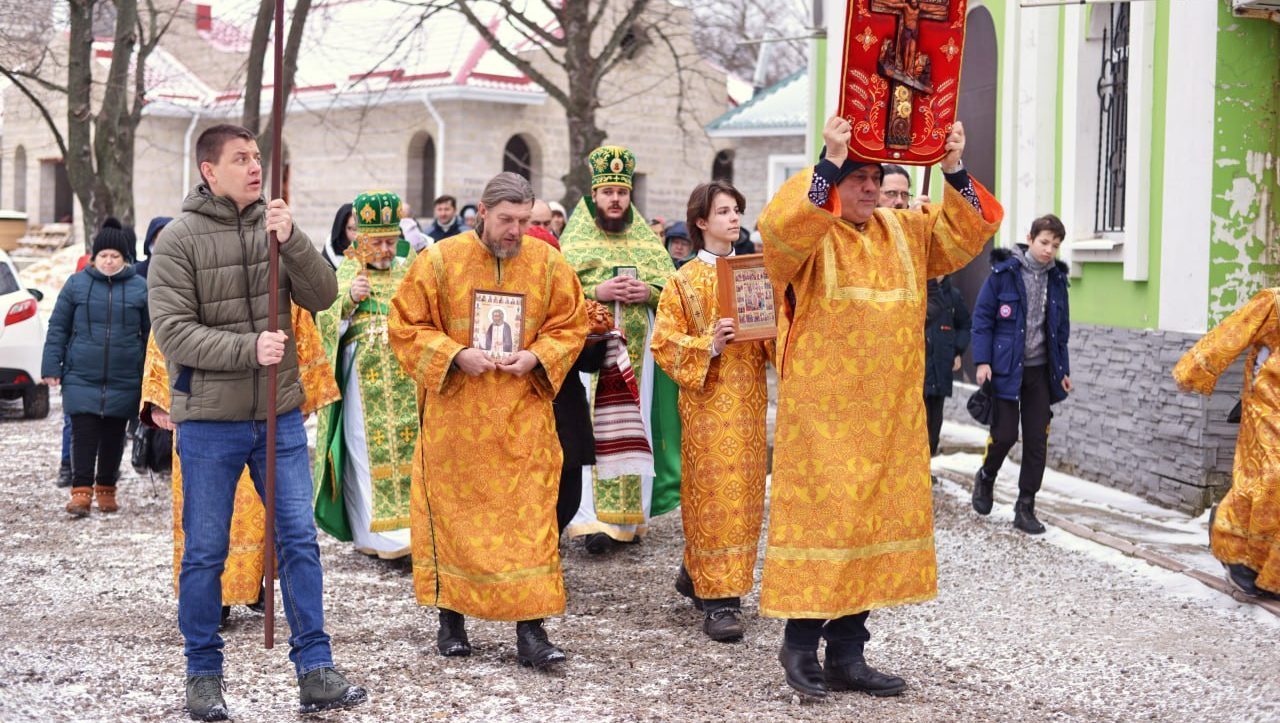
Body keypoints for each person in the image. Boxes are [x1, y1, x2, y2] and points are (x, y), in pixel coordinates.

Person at [758, 116, 1002, 698]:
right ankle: (799, 645)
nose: (868, 188)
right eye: (856, 177)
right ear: (835, 184)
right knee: (827, 527)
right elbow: (777, 231)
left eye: (875, 178)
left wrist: (953, 168)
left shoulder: (907, 233)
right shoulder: (816, 237)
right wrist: (829, 157)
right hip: (823, 418)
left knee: (869, 528)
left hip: (890, 415)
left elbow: (968, 233)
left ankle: (848, 652)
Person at [147, 123, 365, 720]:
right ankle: (203, 674)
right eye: (239, 158)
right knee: (206, 552)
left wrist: (292, 239)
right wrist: (250, 349)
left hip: (279, 416)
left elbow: (323, 296)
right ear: (208, 171)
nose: (254, 167)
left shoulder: (278, 230)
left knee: (298, 543)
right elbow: (174, 334)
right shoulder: (178, 241)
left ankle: (316, 669)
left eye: (256, 157)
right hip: (210, 423)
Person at [388, 172, 588, 669]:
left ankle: (532, 630)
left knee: (531, 520)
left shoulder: (547, 264)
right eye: (507, 220)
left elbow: (572, 323)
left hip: (524, 419)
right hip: (456, 420)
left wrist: (538, 356)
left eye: (524, 220)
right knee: (456, 519)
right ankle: (451, 618)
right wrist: (454, 353)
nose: (516, 231)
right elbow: (405, 325)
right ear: (481, 212)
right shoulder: (438, 261)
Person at [141, 307, 340, 624]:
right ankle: (212, 601)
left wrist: (302, 393)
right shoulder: (194, 264)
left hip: (265, 409)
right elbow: (169, 326)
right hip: (203, 409)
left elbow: (297, 322)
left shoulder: (273, 269)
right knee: (207, 519)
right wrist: (160, 397)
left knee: (260, 512)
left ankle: (253, 585)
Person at [651, 180, 770, 643]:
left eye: (737, 209)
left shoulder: (754, 273)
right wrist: (709, 345)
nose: (734, 218)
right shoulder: (683, 280)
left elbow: (774, 340)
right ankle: (721, 603)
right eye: (723, 211)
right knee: (714, 495)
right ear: (701, 222)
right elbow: (663, 342)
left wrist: (773, 330)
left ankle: (694, 568)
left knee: (744, 497)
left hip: (750, 404)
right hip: (706, 407)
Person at [558, 145, 682, 554]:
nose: (615, 199)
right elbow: (558, 290)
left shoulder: (645, 240)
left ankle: (628, 519)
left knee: (634, 421)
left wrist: (647, 291)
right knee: (596, 424)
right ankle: (590, 519)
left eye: (622, 193)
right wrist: (597, 290)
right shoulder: (574, 238)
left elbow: (672, 290)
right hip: (590, 356)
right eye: (608, 191)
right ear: (594, 195)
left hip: (638, 357)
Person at [313, 191, 418, 560]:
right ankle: (374, 534)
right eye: (379, 243)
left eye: (392, 241)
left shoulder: (410, 268)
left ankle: (411, 529)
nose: (388, 250)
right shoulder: (346, 271)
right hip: (363, 378)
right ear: (361, 240)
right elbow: (323, 324)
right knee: (363, 448)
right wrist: (347, 302)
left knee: (410, 448)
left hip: (406, 377)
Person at [1174, 291, 1280, 599]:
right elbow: (1232, 332)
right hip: (1268, 402)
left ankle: (1266, 571)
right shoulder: (1273, 302)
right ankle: (1233, 550)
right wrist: (1193, 369)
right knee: (1270, 475)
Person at [970, 214, 1071, 535]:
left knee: (1037, 439)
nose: (1048, 250)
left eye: (1054, 246)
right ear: (1030, 238)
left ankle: (1025, 506)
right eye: (1044, 242)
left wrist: (1063, 369)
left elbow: (1061, 330)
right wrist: (982, 361)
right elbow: (983, 318)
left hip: (1040, 371)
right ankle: (986, 477)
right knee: (1005, 434)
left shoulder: (1056, 280)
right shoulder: (1004, 274)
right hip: (1005, 368)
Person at [41, 222, 150, 517]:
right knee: (84, 433)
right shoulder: (76, 284)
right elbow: (58, 327)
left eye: (115, 256)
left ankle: (106, 489)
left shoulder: (140, 288)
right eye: (104, 255)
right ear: (94, 257)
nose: (109, 261)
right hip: (81, 375)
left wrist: (150, 375)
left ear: (125, 258)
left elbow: (151, 334)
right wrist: (52, 366)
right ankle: (80, 492)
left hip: (124, 375)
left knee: (114, 436)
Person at [923, 275, 971, 460]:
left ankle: (928, 464)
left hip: (941, 367)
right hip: (920, 368)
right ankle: (919, 468)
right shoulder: (918, 292)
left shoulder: (953, 296)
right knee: (920, 422)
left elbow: (965, 325)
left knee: (935, 423)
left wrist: (957, 350)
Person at [324, 204, 357, 270]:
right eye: (354, 229)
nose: (359, 235)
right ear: (342, 229)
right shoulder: (330, 256)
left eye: (363, 229)